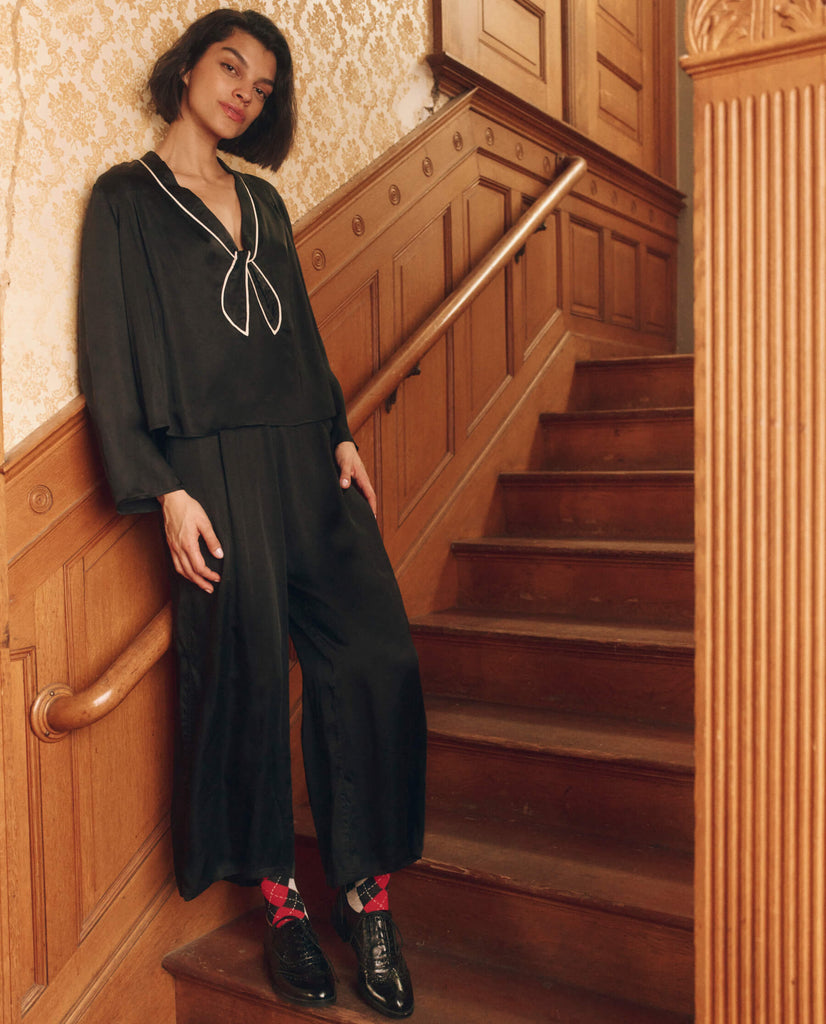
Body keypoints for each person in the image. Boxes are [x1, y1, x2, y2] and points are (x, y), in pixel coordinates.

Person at [77, 8, 427, 1018]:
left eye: (263, 86)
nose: (244, 92)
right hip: (209, 467)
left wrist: (340, 432)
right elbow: (109, 353)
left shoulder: (265, 201)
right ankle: (280, 900)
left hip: (306, 456)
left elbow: (301, 334)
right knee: (242, 670)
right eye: (231, 68)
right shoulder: (125, 199)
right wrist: (164, 487)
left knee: (374, 653)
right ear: (189, 68)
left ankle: (366, 896)